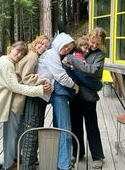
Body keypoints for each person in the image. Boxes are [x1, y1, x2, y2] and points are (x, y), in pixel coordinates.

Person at [0, 41, 52, 170]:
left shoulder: (5, 61)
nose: (19, 54)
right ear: (11, 49)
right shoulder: (6, 64)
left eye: (22, 53)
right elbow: (15, 87)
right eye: (17, 51)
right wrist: (39, 90)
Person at [3, 35, 51, 170]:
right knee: (11, 135)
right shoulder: (33, 56)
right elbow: (27, 77)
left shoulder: (31, 54)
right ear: (36, 42)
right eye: (41, 43)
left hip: (20, 98)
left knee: (17, 133)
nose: (43, 47)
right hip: (17, 99)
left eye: (46, 46)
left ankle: (16, 161)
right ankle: (8, 165)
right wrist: (44, 80)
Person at [66, 27, 106, 169]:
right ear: (88, 38)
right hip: (75, 95)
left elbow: (93, 71)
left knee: (92, 127)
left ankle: (97, 156)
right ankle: (78, 153)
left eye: (98, 43)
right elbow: (68, 63)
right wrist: (80, 67)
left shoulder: (99, 56)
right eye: (92, 41)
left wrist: (74, 64)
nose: (94, 45)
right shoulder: (77, 49)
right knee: (75, 125)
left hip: (89, 96)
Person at [41, 32, 79, 170]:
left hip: (51, 92)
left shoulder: (54, 54)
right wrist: (74, 86)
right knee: (65, 128)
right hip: (56, 93)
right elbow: (60, 76)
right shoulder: (52, 54)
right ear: (59, 43)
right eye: (65, 47)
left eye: (69, 49)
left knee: (59, 126)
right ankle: (64, 165)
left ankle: (60, 160)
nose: (66, 50)